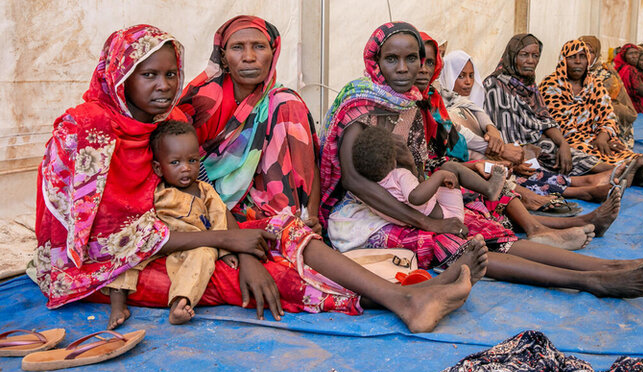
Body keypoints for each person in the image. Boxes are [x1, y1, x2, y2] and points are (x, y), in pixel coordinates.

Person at [34, 23, 482, 335]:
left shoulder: (162, 121)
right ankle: (398, 299)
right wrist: (230, 245)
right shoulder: (87, 130)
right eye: (148, 75)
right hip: (108, 270)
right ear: (120, 77)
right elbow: (107, 240)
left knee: (279, 229)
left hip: (183, 233)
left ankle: (404, 296)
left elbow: (198, 197)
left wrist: (237, 240)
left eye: (171, 74)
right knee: (254, 278)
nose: (165, 86)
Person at [320, 22, 643, 299]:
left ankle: (615, 267)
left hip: (405, 199)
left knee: (479, 226)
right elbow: (354, 181)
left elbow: (417, 168)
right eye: (392, 59)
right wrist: (428, 219)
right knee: (454, 241)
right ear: (375, 61)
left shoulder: (411, 103)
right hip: (364, 216)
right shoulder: (362, 106)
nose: (403, 68)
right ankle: (593, 281)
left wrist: (439, 201)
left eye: (411, 58)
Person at [438, 48, 614, 204]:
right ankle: (578, 190)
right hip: (479, 157)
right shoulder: (490, 87)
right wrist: (504, 150)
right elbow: (463, 135)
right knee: (508, 165)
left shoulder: (469, 99)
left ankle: (582, 182)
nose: (468, 82)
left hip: (501, 148)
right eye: (460, 76)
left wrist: (496, 135)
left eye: (470, 75)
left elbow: (487, 119)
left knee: (530, 157)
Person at [106, 120, 238, 328]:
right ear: (158, 168)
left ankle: (181, 302)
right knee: (126, 253)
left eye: (192, 160)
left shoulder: (205, 191)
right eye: (175, 162)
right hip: (161, 244)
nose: (185, 168)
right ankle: (118, 305)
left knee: (204, 255)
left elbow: (219, 218)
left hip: (194, 244)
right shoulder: (156, 191)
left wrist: (226, 252)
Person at [540, 39, 643, 185]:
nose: (578, 61)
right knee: (586, 152)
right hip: (568, 139)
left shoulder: (594, 84)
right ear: (563, 60)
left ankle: (642, 170)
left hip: (596, 136)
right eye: (572, 57)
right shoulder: (551, 85)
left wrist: (603, 136)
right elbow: (555, 123)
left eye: (583, 57)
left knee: (617, 150)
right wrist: (591, 139)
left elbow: (608, 115)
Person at [483, 34, 615, 178]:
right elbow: (504, 134)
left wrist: (563, 144)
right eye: (524, 55)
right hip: (511, 152)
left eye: (535, 56)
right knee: (551, 165)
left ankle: (616, 172)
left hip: (536, 144)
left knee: (565, 153)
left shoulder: (530, 85)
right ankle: (609, 177)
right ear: (512, 56)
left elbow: (545, 119)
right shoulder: (495, 85)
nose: (531, 61)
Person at [353, 125, 506, 221]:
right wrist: (440, 176)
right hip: (449, 214)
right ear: (393, 161)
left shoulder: (371, 185)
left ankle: (488, 189)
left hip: (434, 210)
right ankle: (489, 189)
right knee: (450, 167)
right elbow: (415, 197)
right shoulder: (399, 174)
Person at [580, 35, 637, 148]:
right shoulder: (568, 71)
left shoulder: (605, 75)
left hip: (606, 123)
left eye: (590, 52)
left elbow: (605, 109)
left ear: (596, 55)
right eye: (582, 52)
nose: (585, 56)